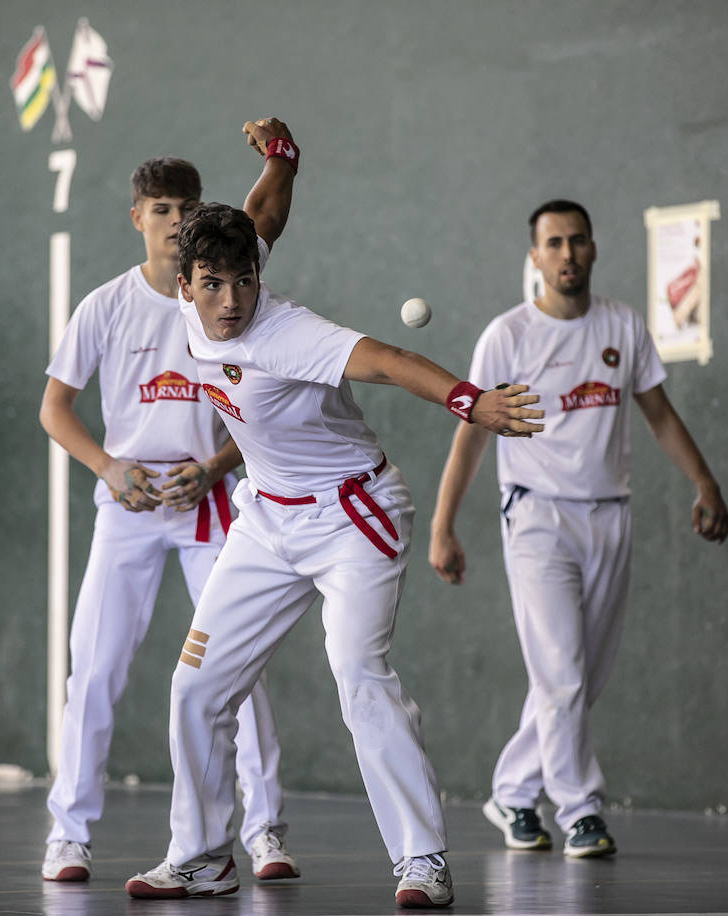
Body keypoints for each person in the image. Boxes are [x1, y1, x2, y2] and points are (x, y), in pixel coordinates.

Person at [122, 119, 542, 909]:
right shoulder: (201, 297)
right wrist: (285, 158)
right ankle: (204, 857)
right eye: (212, 283)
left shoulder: (288, 333)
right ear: (184, 285)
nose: (231, 299)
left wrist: (471, 401)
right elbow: (264, 213)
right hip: (268, 523)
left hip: (355, 518)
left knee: (358, 673)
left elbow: (388, 360)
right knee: (197, 687)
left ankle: (423, 860)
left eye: (244, 280)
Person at [428, 199, 728, 859]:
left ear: (593, 249)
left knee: (578, 679)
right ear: (535, 257)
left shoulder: (623, 325)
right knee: (562, 673)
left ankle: (513, 790)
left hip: (610, 516)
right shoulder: (507, 336)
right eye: (554, 244)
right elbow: (470, 439)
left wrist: (705, 482)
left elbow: (659, 416)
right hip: (536, 516)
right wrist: (442, 526)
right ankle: (582, 810)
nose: (567, 254)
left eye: (578, 242)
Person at [38, 152, 300, 884]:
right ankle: (68, 835)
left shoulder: (217, 299)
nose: (176, 221)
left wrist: (212, 468)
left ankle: (267, 832)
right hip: (127, 511)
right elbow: (54, 410)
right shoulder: (104, 307)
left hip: (209, 505)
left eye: (186, 208)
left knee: (238, 669)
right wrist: (108, 467)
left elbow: (252, 409)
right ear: (138, 219)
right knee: (92, 669)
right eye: (162, 210)